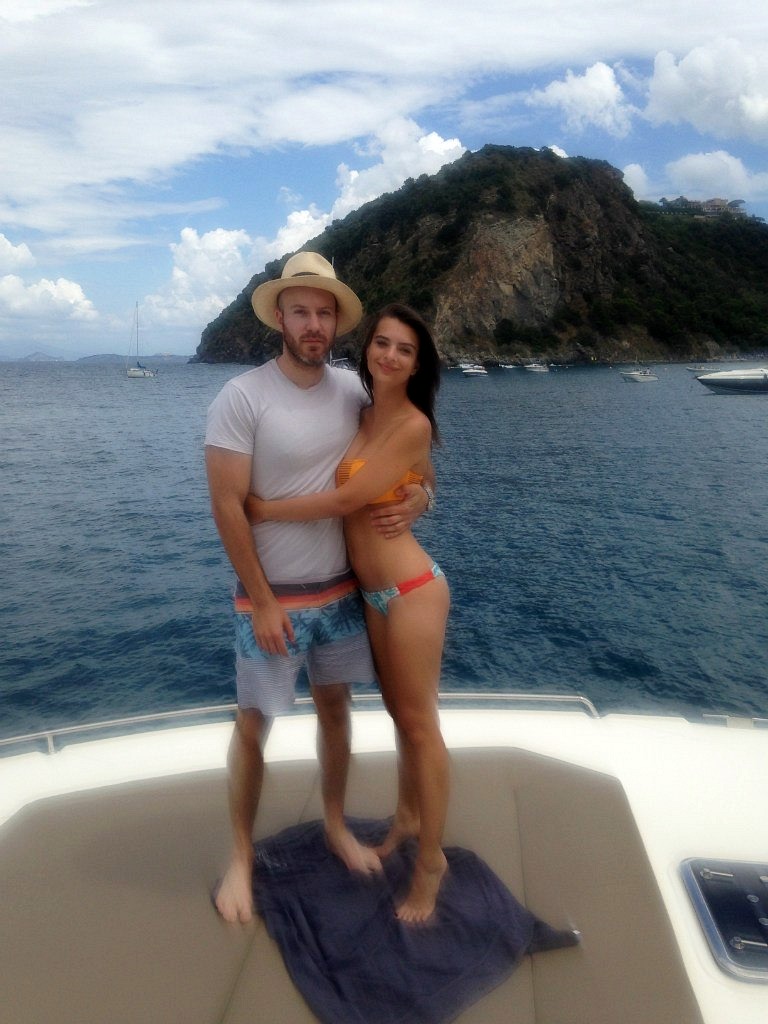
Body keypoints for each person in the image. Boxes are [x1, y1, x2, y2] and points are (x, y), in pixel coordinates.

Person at [205, 253, 430, 925]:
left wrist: (423, 498)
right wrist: (262, 600)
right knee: (253, 724)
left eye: (323, 312)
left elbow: (410, 461)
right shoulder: (241, 397)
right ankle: (240, 857)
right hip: (271, 593)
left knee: (336, 711)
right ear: (279, 317)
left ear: (336, 322)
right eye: (300, 311)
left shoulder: (354, 392)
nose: (312, 324)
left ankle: (334, 824)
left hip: (340, 590)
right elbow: (227, 506)